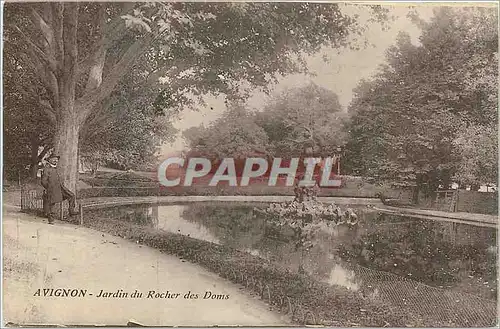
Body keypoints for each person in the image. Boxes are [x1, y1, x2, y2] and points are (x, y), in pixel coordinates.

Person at [41, 154, 79, 224]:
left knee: (71, 195)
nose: (56, 160)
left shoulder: (55, 168)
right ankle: (51, 220)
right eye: (54, 159)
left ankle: (71, 211)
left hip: (61, 188)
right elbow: (43, 181)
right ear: (49, 160)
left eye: (57, 159)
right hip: (52, 189)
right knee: (51, 203)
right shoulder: (47, 169)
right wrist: (49, 188)